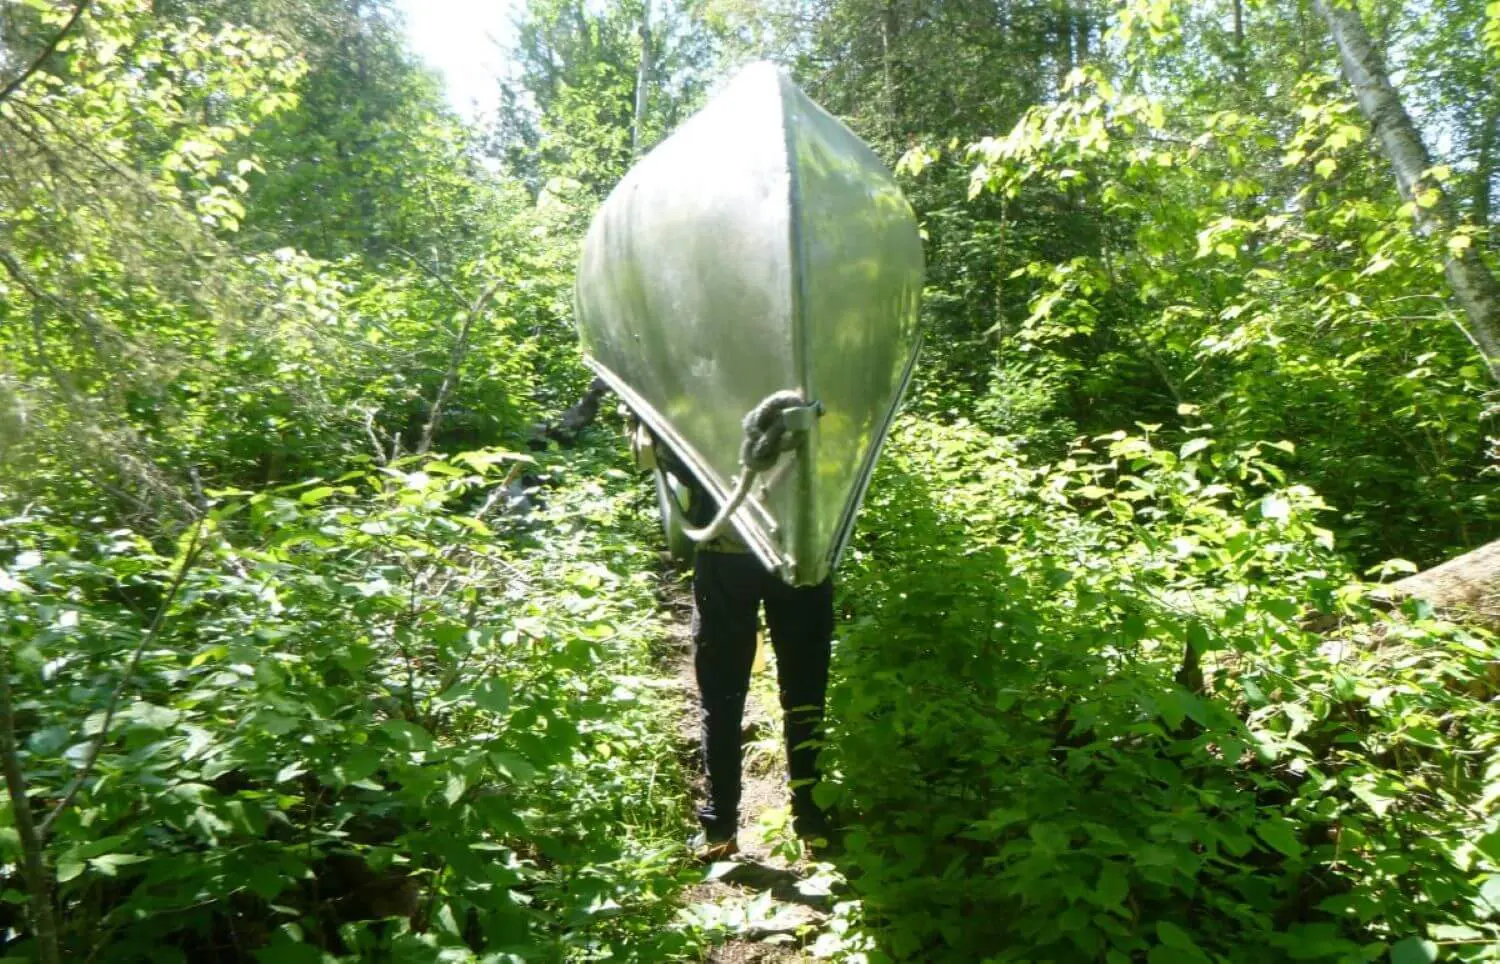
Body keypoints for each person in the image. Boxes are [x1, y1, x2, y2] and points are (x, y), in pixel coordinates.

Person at [628, 416, 834, 861]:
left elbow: (674, 460)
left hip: (736, 554)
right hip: (795, 552)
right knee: (800, 689)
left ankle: (727, 828)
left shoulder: (702, 375)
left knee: (731, 694)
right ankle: (805, 821)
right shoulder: (811, 392)